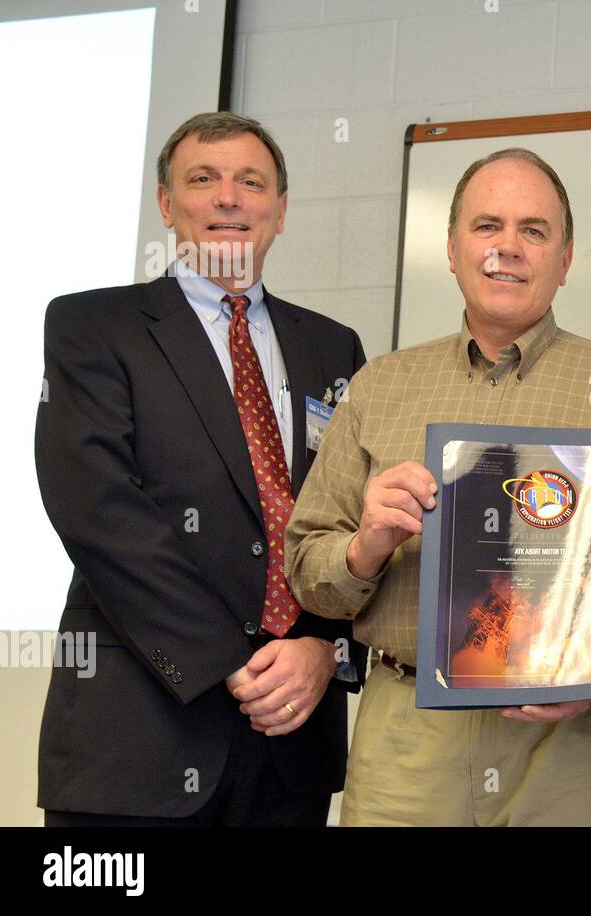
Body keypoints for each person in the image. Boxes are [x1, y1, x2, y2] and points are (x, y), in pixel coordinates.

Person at [285, 148, 591, 826]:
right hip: (411, 738)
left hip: (577, 740)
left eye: (533, 230)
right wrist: (366, 545)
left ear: (566, 259)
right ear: (452, 248)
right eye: (487, 227)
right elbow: (310, 572)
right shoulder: (379, 387)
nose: (508, 248)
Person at [36, 112, 366, 825]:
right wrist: (227, 659)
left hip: (292, 743)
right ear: (166, 204)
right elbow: (96, 511)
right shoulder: (93, 328)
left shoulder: (336, 348)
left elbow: (355, 522)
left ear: (281, 209)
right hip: (140, 738)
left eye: (252, 182)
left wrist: (325, 650)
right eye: (203, 179)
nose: (229, 198)